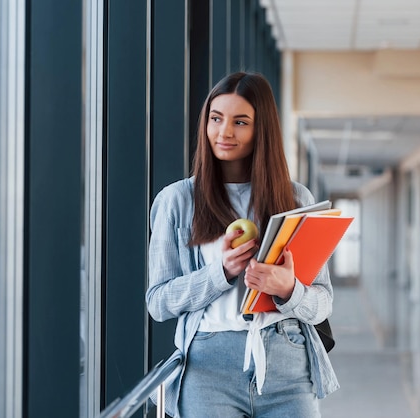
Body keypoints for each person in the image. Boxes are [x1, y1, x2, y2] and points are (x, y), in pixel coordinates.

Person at [146, 71, 339, 418]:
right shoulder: (177, 200)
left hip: (287, 362)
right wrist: (220, 272)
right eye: (216, 118)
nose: (224, 132)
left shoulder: (294, 198)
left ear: (261, 130)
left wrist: (289, 289)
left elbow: (322, 303)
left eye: (240, 122)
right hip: (208, 368)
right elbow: (158, 303)